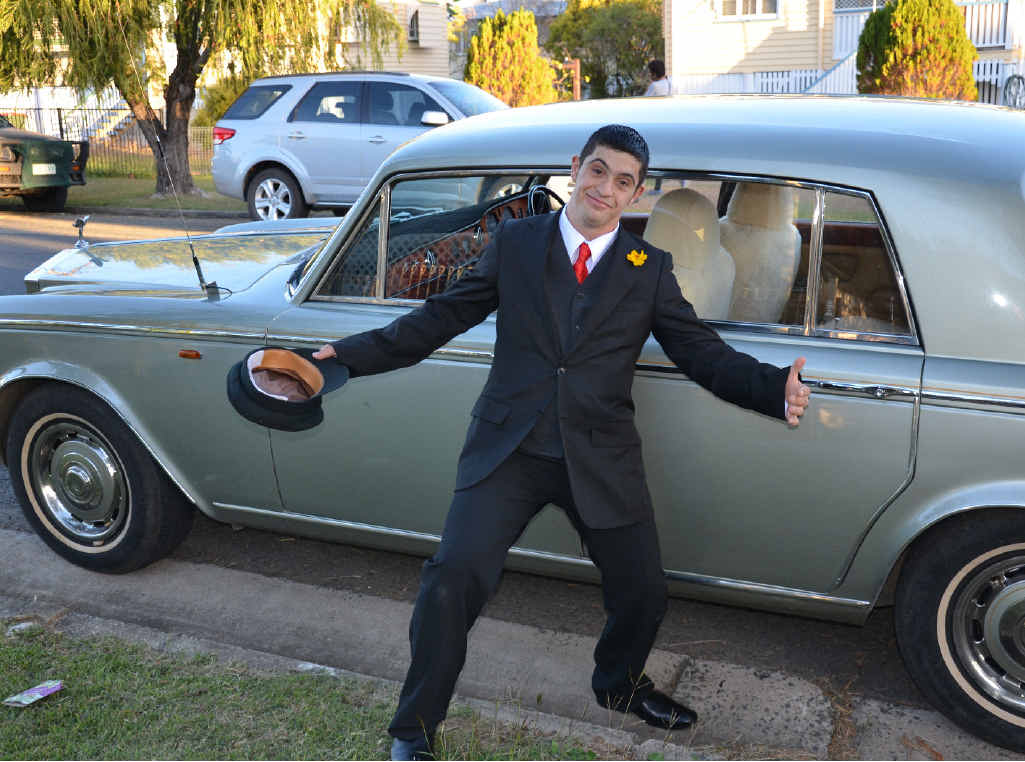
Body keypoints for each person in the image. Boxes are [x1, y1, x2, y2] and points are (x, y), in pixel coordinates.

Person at [313, 124, 811, 761]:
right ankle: (414, 729)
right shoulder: (517, 242)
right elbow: (439, 318)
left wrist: (773, 387)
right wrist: (347, 356)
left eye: (623, 181)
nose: (605, 188)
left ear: (636, 195)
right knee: (450, 581)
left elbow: (700, 352)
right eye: (598, 171)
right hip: (509, 449)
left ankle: (619, 684)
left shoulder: (649, 269)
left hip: (599, 453)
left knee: (644, 593)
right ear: (576, 168)